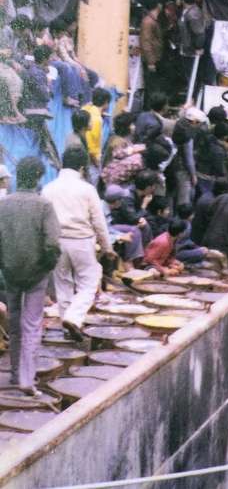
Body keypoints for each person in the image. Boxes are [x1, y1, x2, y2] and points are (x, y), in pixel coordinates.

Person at [0, 157, 60, 394]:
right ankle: (27, 378)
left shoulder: (4, 205)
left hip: (10, 271)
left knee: (15, 324)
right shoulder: (44, 205)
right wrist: (47, 265)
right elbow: (53, 243)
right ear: (38, 177)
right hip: (37, 273)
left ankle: (15, 374)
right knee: (32, 325)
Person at [42, 147, 113, 341]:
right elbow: (99, 222)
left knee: (63, 284)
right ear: (82, 167)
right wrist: (107, 248)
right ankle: (74, 318)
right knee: (89, 281)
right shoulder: (87, 189)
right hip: (81, 241)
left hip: (56, 242)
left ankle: (67, 326)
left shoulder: (48, 188)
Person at [82, 87, 110, 168]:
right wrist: (97, 164)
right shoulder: (97, 120)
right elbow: (91, 147)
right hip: (91, 160)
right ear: (106, 102)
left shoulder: (86, 110)